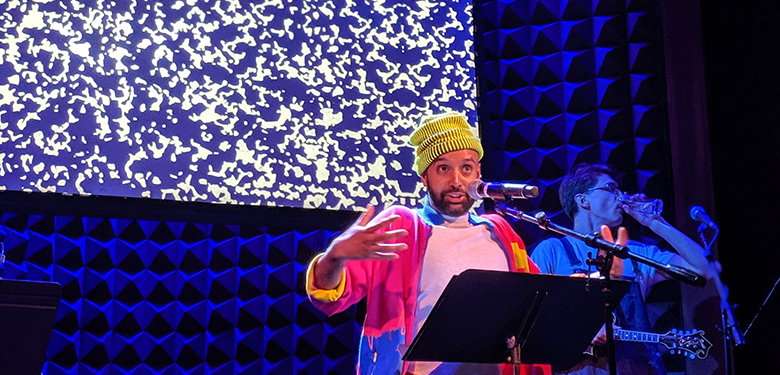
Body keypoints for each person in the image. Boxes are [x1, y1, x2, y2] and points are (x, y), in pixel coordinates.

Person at [304, 112, 550, 375]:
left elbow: (538, 303)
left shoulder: (500, 231)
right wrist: (334, 257)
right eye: (443, 168)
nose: (456, 181)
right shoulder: (400, 225)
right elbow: (330, 297)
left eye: (466, 168)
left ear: (478, 173)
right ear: (424, 176)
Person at [530, 163, 711, 375]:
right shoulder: (551, 251)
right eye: (610, 189)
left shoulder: (633, 252)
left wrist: (655, 222)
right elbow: (535, 321)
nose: (621, 196)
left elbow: (702, 269)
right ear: (583, 200)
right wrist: (581, 329)